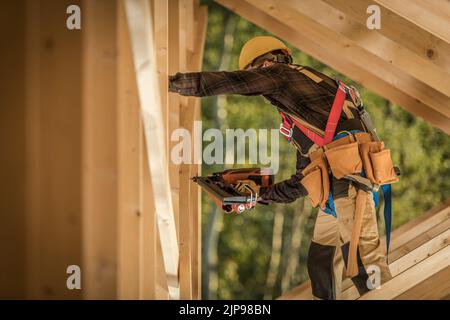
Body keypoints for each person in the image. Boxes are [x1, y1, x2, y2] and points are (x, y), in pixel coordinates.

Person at [168, 36, 393, 299]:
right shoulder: (305, 110)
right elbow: (301, 182)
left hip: (350, 182)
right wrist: (258, 195)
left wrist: (171, 83)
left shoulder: (280, 74)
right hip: (339, 186)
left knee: (365, 264)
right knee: (321, 261)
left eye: (252, 76)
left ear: (262, 65)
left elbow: (232, 82)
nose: (258, 90)